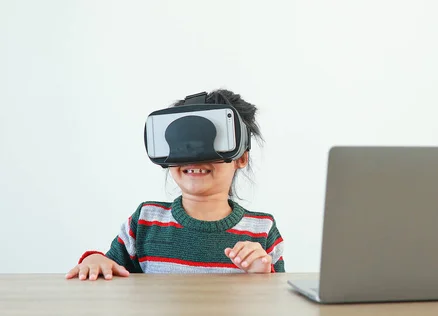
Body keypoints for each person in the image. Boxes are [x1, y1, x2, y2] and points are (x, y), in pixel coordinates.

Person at [66, 89, 284, 281]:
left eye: (210, 141)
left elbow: (280, 301)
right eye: (184, 143)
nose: (194, 157)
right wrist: (95, 260)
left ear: (241, 158)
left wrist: (262, 276)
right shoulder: (145, 221)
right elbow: (109, 268)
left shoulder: (262, 229)